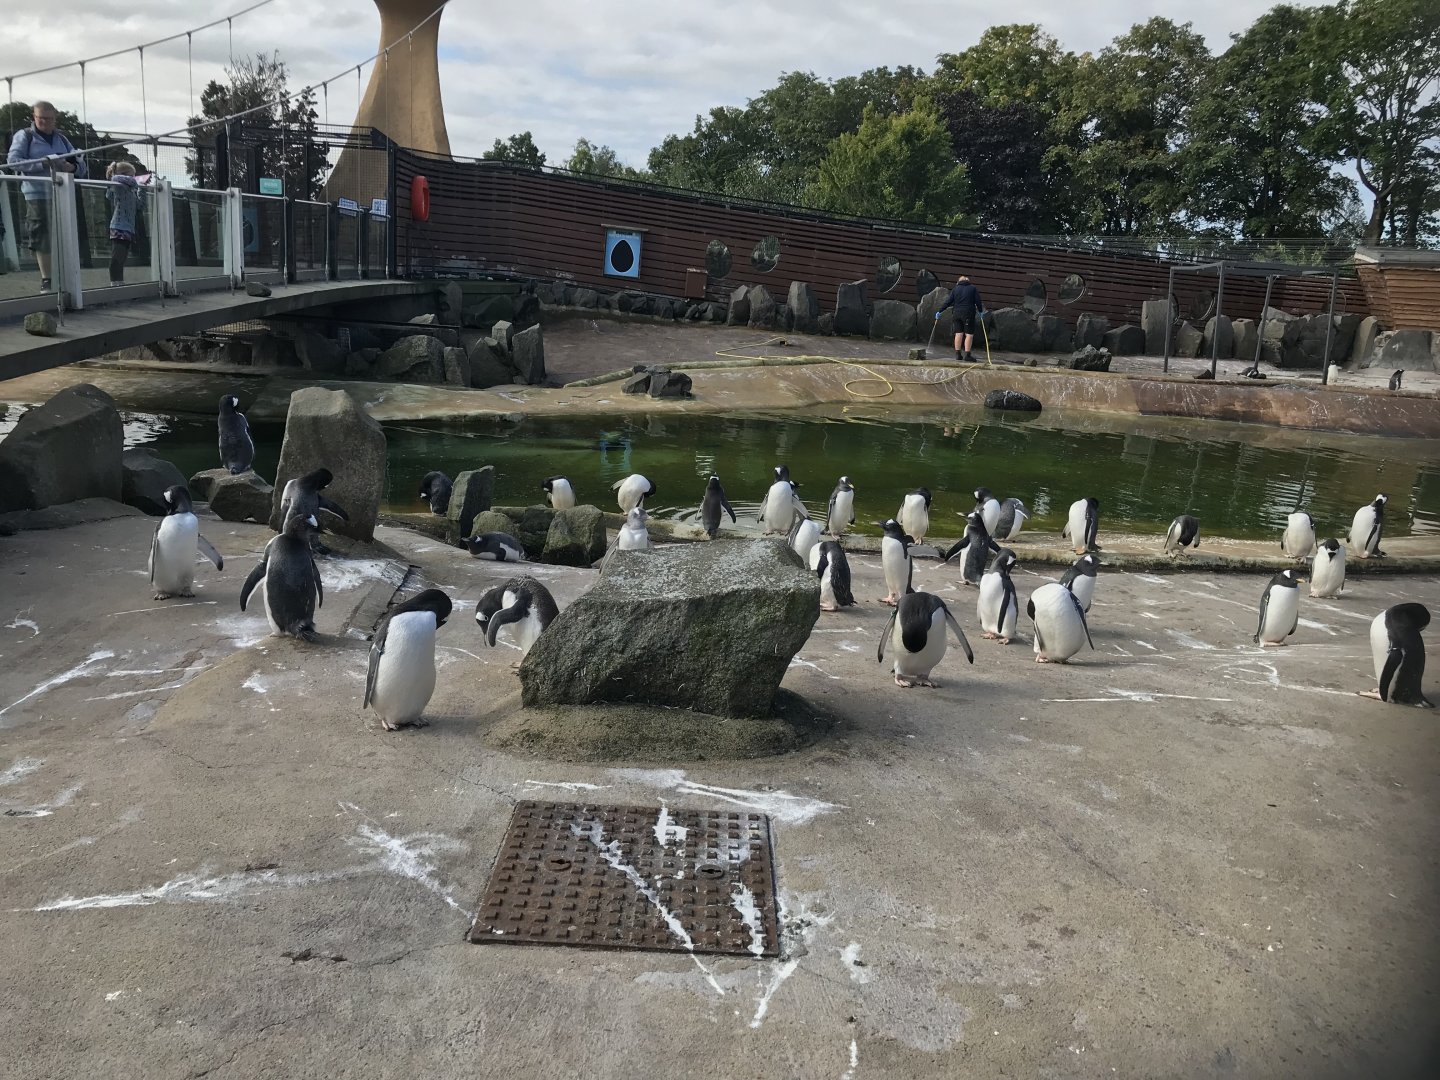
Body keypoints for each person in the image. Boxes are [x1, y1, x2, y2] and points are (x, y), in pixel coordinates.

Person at [5, 101, 88, 291]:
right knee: (42, 234)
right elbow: (13, 162)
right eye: (40, 118)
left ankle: (65, 276)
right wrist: (44, 164)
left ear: (55, 119)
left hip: (63, 194)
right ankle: (47, 279)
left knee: (65, 234)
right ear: (34, 117)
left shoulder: (63, 140)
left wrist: (72, 167)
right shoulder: (24, 136)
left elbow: (81, 165)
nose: (45, 122)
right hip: (37, 192)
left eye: (49, 119)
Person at [104, 160, 141, 286]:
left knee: (122, 257)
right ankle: (114, 282)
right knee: (117, 256)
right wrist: (134, 182)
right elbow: (116, 178)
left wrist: (143, 190)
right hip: (119, 226)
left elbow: (140, 205)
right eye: (131, 175)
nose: (133, 178)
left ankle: (119, 281)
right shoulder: (118, 185)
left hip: (128, 228)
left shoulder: (131, 191)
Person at [935, 274, 984, 362]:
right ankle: (967, 355)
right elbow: (978, 301)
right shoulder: (973, 288)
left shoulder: (955, 289)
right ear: (968, 281)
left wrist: (940, 311)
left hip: (956, 313)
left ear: (958, 282)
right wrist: (980, 311)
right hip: (968, 314)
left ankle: (958, 354)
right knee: (969, 334)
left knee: (958, 333)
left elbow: (948, 301)